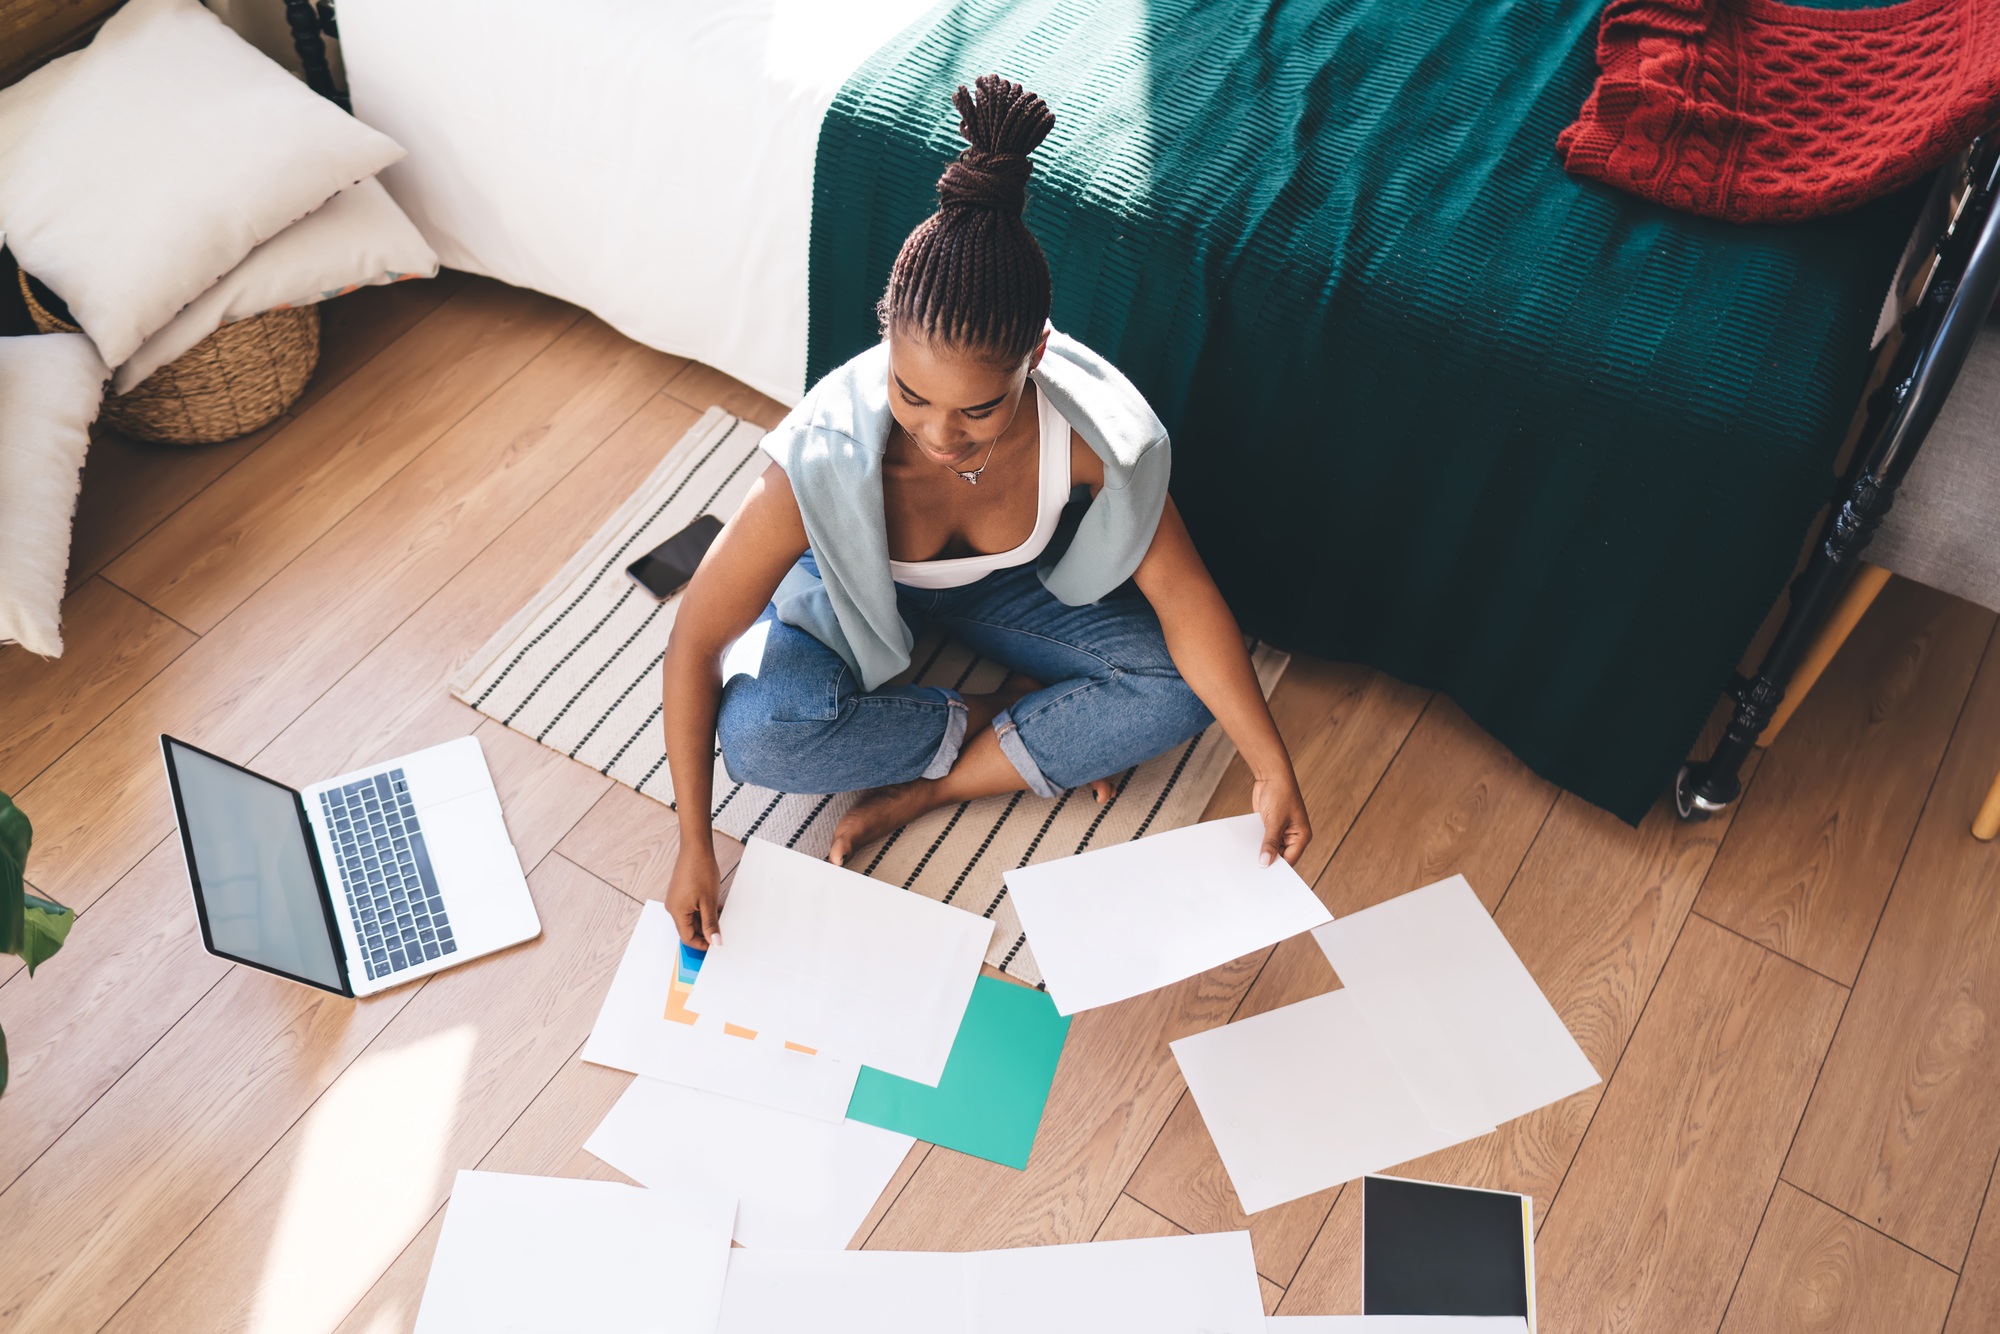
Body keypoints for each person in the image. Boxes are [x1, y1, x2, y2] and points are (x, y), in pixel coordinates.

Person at [660, 74, 1310, 949]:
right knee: (766, 740)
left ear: (1035, 358)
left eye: (978, 409)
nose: (939, 436)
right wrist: (692, 846)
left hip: (1003, 591)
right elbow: (696, 642)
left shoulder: (1093, 437)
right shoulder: (814, 464)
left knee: (1176, 690)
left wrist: (1271, 767)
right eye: (911, 393)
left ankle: (937, 780)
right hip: (849, 603)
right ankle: (988, 713)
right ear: (886, 340)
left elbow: (1186, 600)